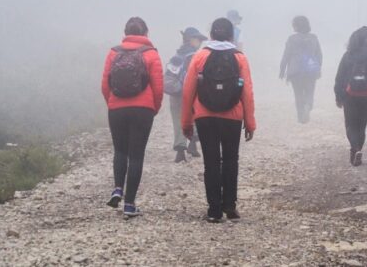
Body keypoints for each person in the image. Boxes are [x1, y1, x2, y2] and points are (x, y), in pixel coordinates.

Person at [181, 17, 257, 223]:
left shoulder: (200, 56)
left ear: (212, 34)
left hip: (205, 117)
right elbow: (247, 92)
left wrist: (186, 122)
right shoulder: (240, 57)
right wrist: (250, 122)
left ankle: (214, 210)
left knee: (211, 162)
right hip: (233, 116)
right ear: (231, 35)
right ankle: (230, 206)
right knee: (231, 160)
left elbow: (188, 91)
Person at [101, 17, 163, 218]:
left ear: (126, 32)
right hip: (142, 109)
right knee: (136, 155)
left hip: (116, 108)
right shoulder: (151, 53)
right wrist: (154, 108)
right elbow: (158, 87)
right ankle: (129, 204)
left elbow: (105, 84)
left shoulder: (113, 52)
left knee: (120, 151)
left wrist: (111, 103)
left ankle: (118, 188)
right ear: (146, 33)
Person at [334, 26, 367, 167]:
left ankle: (356, 149)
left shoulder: (348, 55)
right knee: (361, 126)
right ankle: (357, 151)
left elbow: (339, 78)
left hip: (349, 96)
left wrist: (338, 97)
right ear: (366, 40)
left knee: (351, 125)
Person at [165, 27, 207, 163]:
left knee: (178, 120)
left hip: (176, 94)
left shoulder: (176, 57)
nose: (200, 42)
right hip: (192, 94)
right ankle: (193, 144)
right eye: (198, 39)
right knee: (195, 119)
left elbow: (169, 78)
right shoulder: (197, 57)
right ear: (191, 39)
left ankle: (180, 150)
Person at [279, 15, 323, 124]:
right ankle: (308, 104)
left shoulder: (292, 39)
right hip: (310, 70)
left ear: (297, 26)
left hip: (295, 71)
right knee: (309, 91)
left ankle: (300, 117)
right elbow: (319, 55)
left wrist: (282, 69)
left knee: (298, 93)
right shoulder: (313, 38)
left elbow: (286, 55)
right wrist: (318, 67)